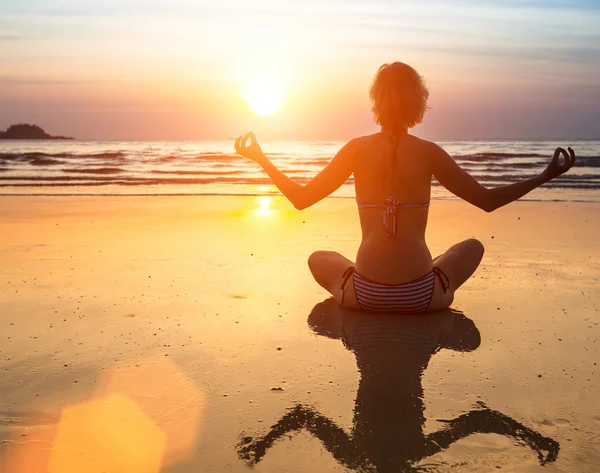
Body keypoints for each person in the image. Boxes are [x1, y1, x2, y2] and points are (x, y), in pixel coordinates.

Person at [235, 62, 576, 313]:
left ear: (376, 101)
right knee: (471, 247)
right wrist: (543, 176)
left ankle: (355, 286)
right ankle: (436, 274)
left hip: (365, 296)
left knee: (320, 258)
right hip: (423, 298)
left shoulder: (356, 148)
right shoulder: (429, 153)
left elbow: (301, 198)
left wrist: (261, 159)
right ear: (418, 101)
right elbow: (487, 201)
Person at [237, 300, 559, 473]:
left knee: (463, 339)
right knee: (319, 320)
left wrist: (534, 438)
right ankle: (398, 294)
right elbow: (304, 417)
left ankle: (421, 302)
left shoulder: (410, 453)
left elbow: (479, 419)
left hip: (418, 336)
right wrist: (264, 443)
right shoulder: (358, 456)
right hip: (366, 333)